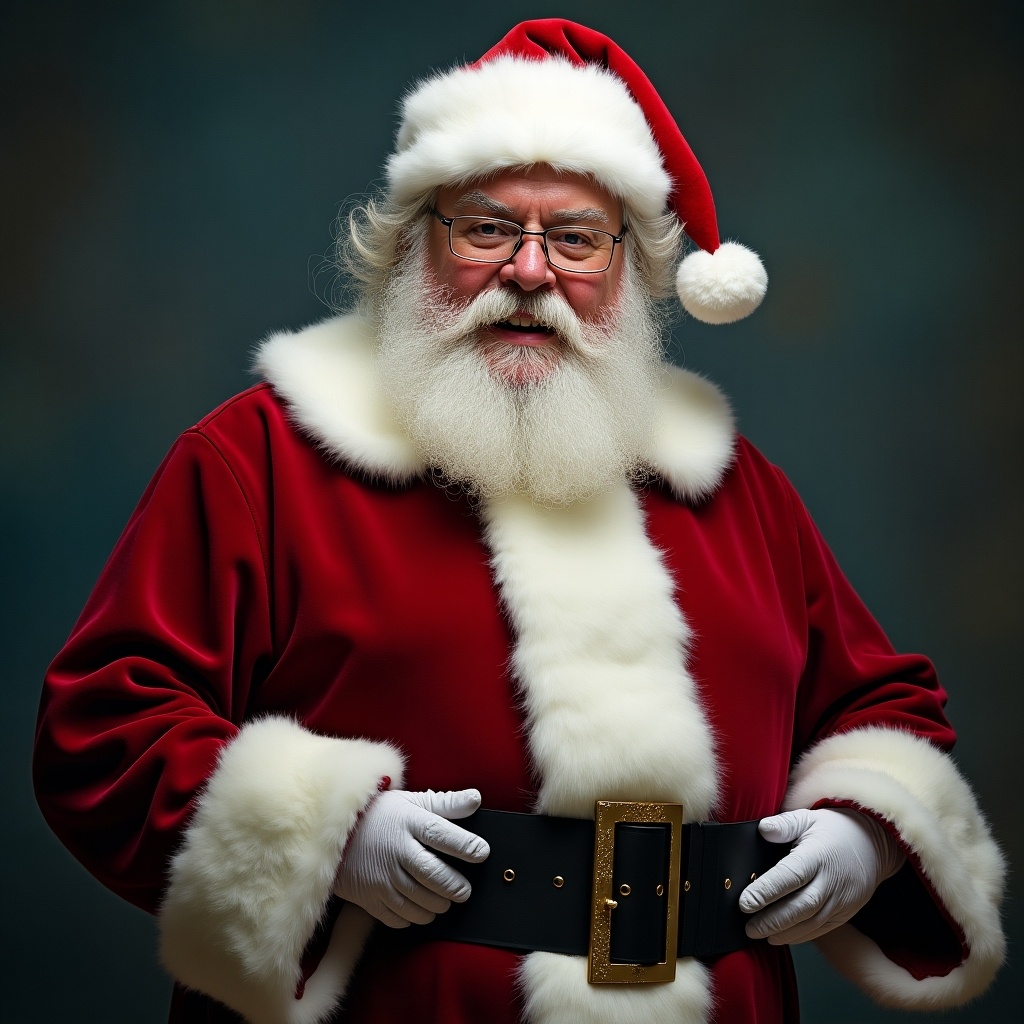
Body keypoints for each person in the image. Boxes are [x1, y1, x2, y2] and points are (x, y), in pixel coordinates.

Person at [34, 18, 1005, 1024]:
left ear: (629, 270)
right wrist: (320, 834)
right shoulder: (260, 460)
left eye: (576, 238)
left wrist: (867, 827)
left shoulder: (732, 485)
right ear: (416, 244)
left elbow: (883, 705)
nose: (531, 272)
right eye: (489, 228)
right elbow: (104, 723)